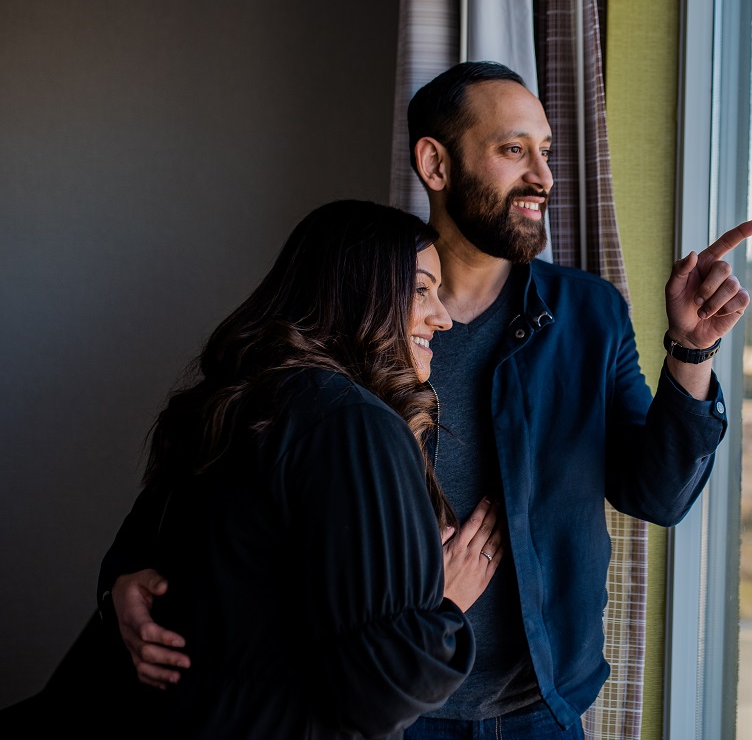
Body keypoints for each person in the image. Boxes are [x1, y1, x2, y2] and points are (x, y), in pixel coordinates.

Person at [107, 63, 752, 738]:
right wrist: (121, 583)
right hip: (380, 711)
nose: (543, 176)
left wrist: (690, 351)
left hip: (540, 707)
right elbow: (205, 479)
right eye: (514, 150)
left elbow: (656, 493)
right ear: (435, 163)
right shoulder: (354, 323)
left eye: (547, 152)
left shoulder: (591, 313)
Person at [56, 201, 502, 739]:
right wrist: (444, 605)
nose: (443, 316)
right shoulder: (356, 425)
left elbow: (142, 549)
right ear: (356, 291)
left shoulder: (234, 398)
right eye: (420, 289)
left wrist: (117, 587)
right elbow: (377, 693)